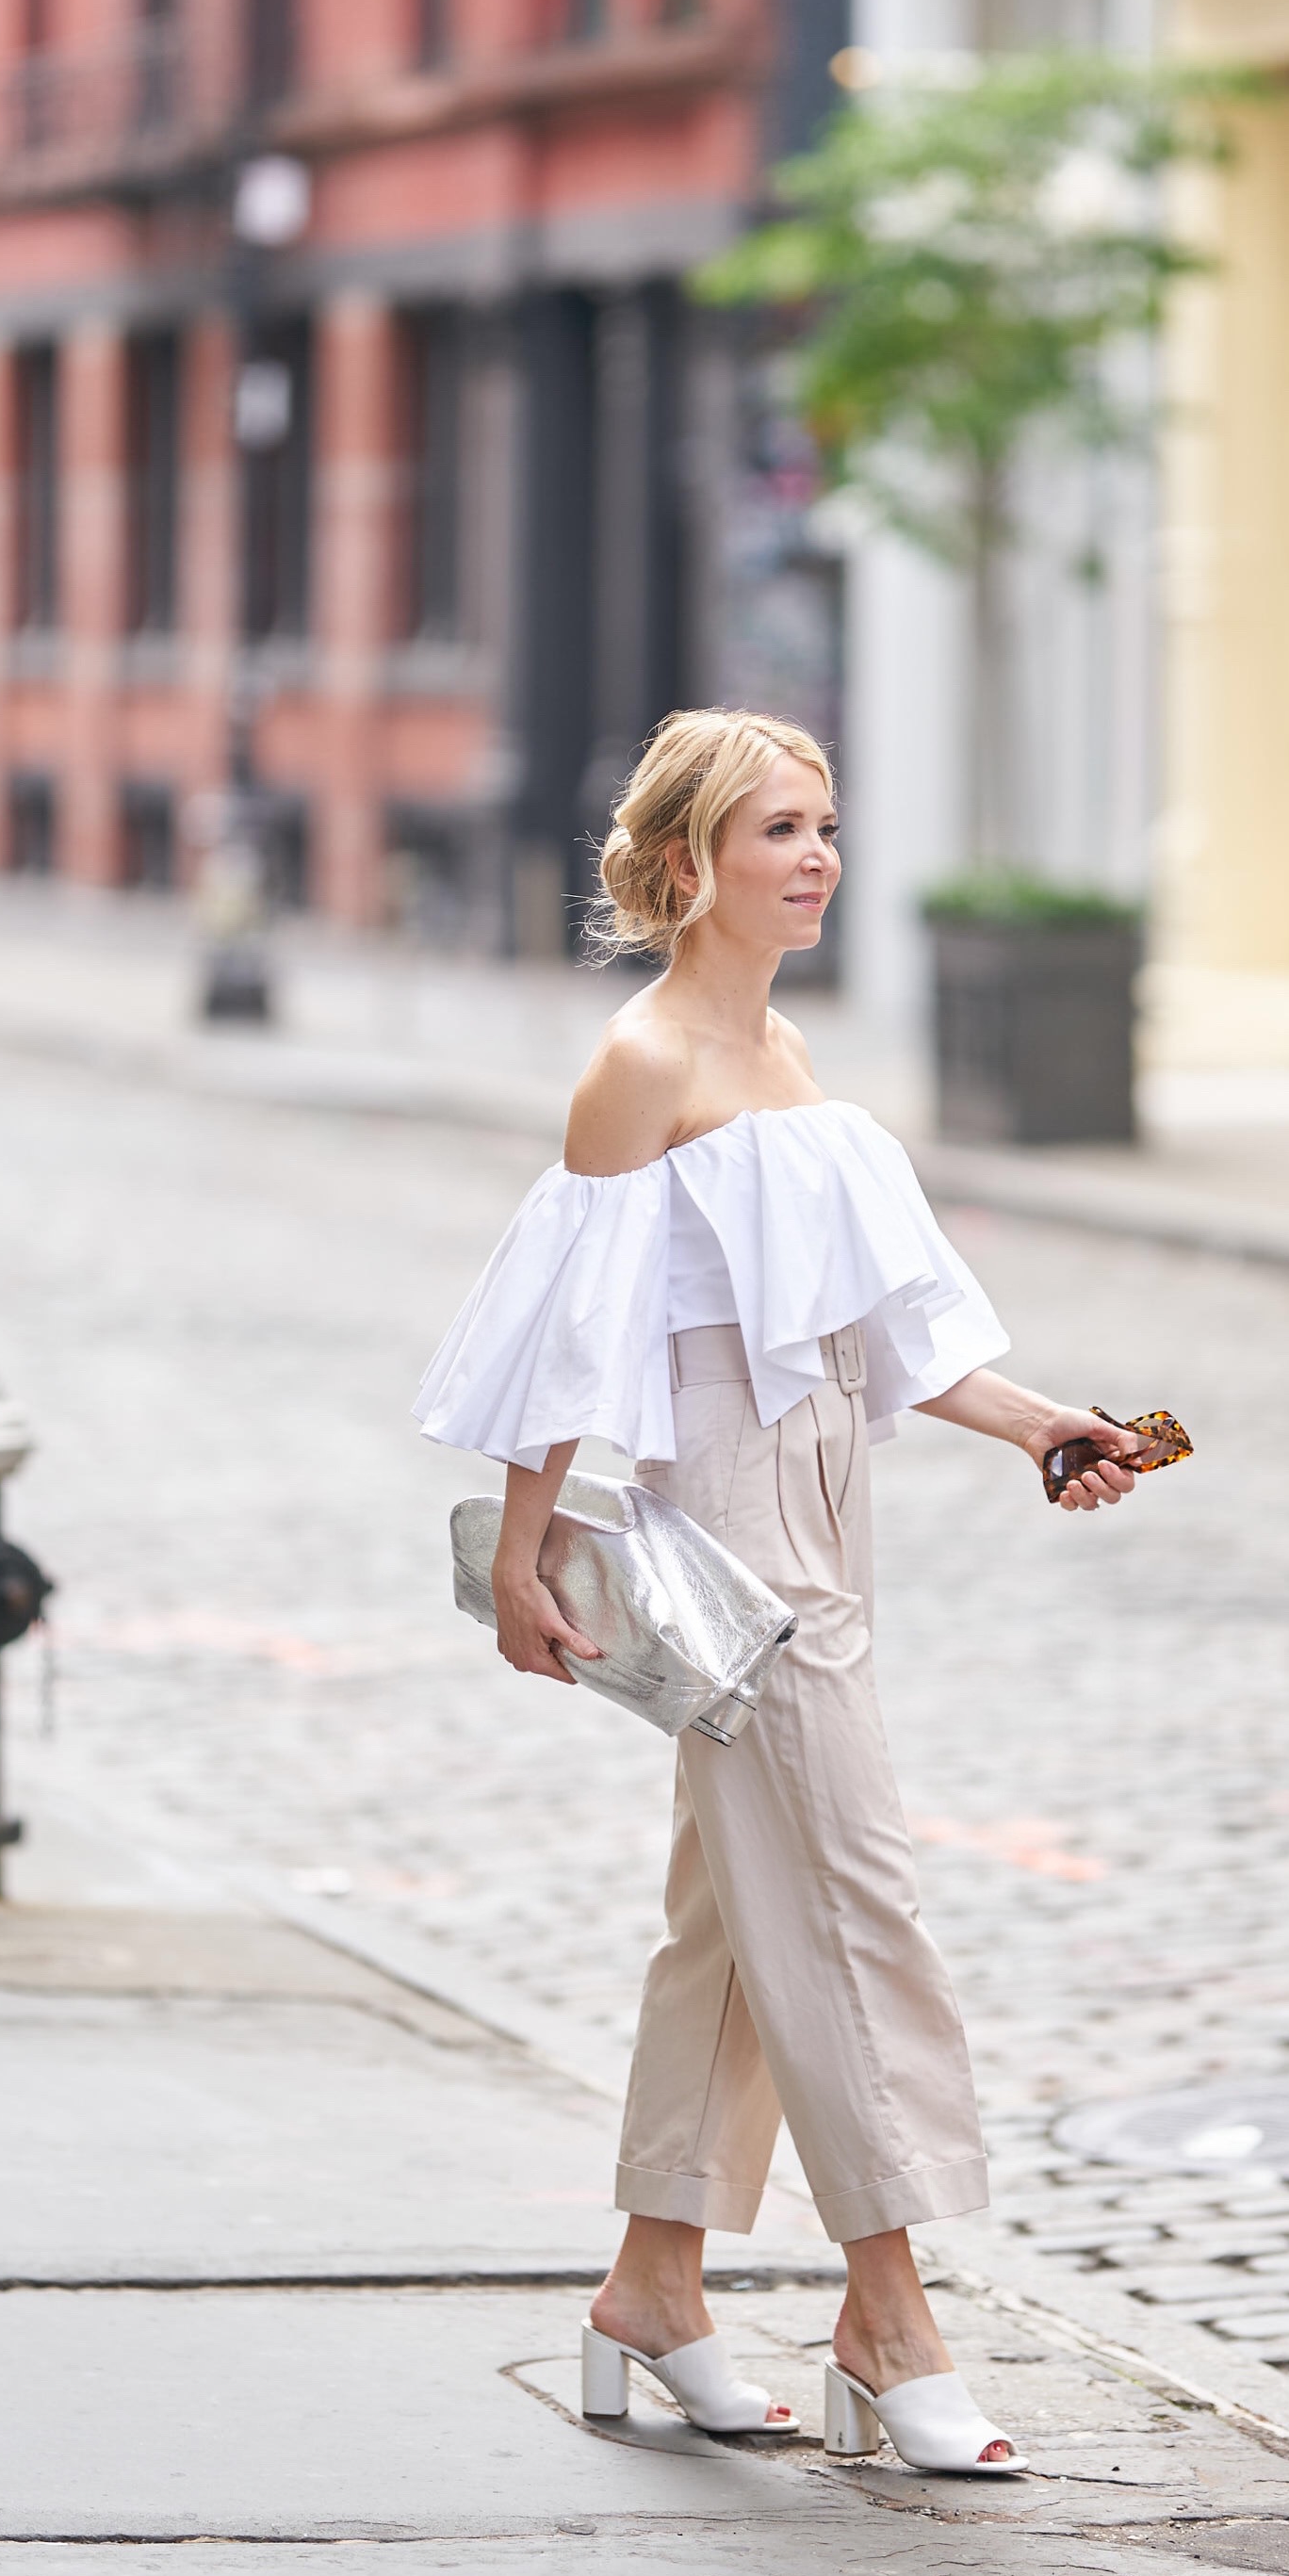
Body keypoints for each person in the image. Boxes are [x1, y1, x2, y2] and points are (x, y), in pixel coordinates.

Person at [416, 708, 1143, 2475]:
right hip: (726, 1512)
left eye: (823, 826)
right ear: (687, 865)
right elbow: (567, 1340)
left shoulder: (791, 1052)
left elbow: (879, 1325)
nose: (815, 857)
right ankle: (888, 2321)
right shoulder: (641, 1064)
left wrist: (1039, 1423)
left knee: (740, 1909)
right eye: (778, 832)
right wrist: (522, 1553)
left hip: (829, 1471)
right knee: (846, 1888)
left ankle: (651, 2294)